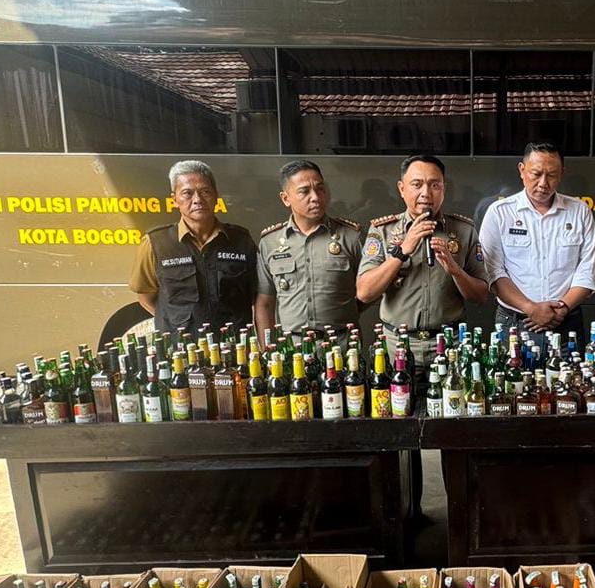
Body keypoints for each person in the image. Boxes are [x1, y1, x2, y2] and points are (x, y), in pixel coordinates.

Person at [357, 153, 489, 519]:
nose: (425, 193)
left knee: (455, 432)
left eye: (434, 184)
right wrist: (403, 251)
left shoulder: (462, 231)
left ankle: (460, 515)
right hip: (398, 347)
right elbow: (365, 293)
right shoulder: (382, 233)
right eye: (417, 184)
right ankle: (408, 515)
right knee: (397, 436)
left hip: (448, 349)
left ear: (444, 189)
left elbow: (481, 294)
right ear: (402, 189)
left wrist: (452, 266)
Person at [478, 143, 595, 349]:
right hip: (514, 322)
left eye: (551, 175)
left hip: (566, 320)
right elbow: (493, 272)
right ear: (522, 171)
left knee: (573, 381)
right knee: (512, 381)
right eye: (536, 174)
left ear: (562, 173)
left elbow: (588, 270)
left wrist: (561, 308)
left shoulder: (579, 211)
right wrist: (530, 308)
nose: (543, 183)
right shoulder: (499, 212)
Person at [128, 159, 258, 334]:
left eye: (205, 191)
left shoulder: (241, 240)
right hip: (182, 350)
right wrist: (174, 325)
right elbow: (145, 296)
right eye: (187, 193)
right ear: (174, 199)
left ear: (216, 196)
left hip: (233, 347)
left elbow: (255, 294)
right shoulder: (156, 243)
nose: (198, 200)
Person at [254, 160, 364, 340]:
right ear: (285, 198)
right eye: (304, 191)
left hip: (342, 344)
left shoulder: (350, 237)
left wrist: (346, 309)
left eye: (320, 189)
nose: (315, 197)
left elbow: (370, 289)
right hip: (293, 346)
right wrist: (268, 349)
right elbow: (265, 302)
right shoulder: (270, 242)